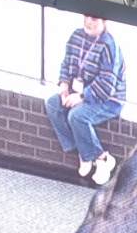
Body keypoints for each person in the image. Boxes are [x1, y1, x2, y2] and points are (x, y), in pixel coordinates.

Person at [42, 14, 127, 186]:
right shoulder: (76, 36)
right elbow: (66, 64)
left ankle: (102, 159)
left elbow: (106, 85)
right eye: (87, 16)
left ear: (104, 21)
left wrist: (81, 97)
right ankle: (84, 151)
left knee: (77, 116)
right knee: (52, 104)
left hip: (108, 99)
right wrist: (64, 85)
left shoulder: (109, 46)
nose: (88, 21)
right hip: (79, 91)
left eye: (94, 19)